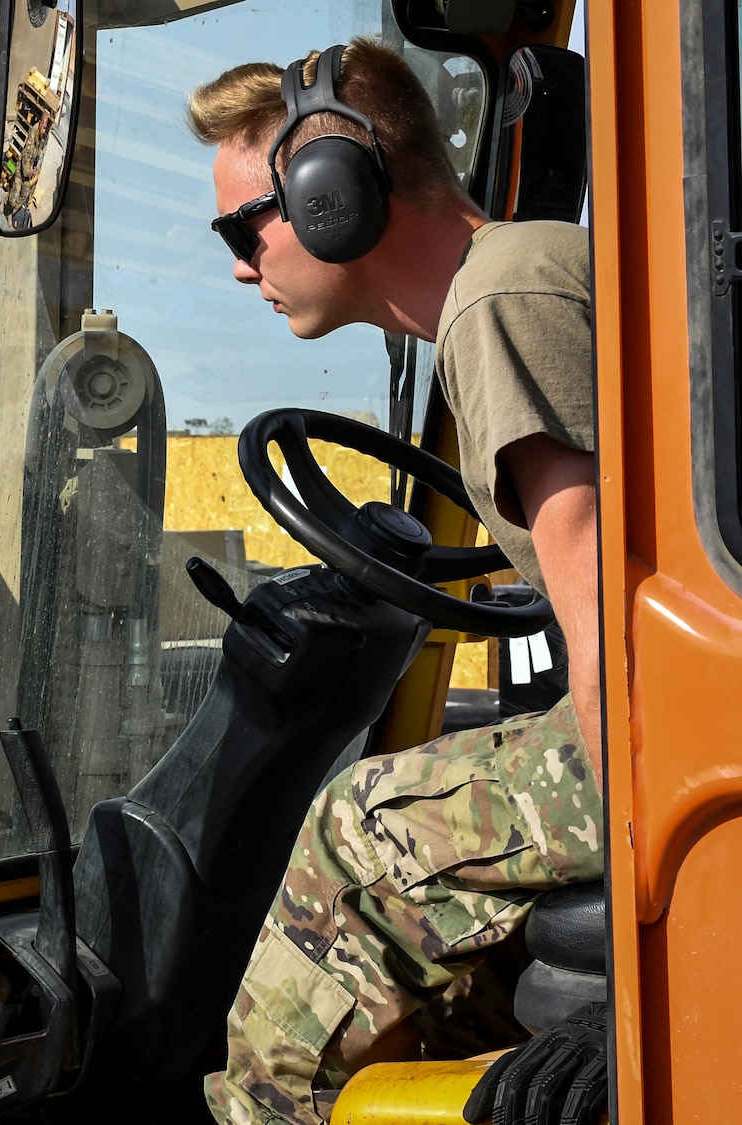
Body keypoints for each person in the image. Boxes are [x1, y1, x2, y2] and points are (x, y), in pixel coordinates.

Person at [186, 38, 605, 1125]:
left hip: (695, 739)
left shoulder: (497, 305)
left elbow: (616, 650)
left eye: (247, 226)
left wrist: (671, 944)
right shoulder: (527, 273)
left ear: (333, 196)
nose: (241, 264)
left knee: (358, 830)